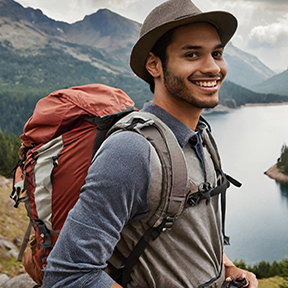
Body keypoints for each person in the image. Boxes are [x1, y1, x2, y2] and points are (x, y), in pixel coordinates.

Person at [43, 0, 258, 287]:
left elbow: (185, 233)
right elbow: (67, 276)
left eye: (217, 53)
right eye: (192, 54)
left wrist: (229, 269)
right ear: (154, 64)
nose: (212, 67)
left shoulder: (200, 137)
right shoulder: (131, 151)